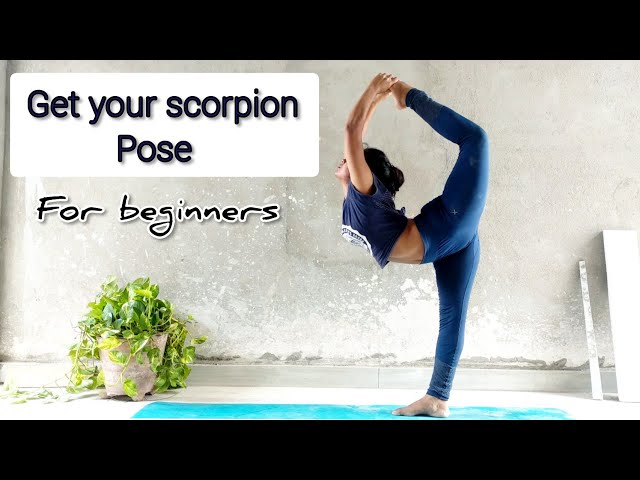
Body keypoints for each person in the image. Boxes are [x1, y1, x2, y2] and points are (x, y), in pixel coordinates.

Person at [336, 73, 490, 417]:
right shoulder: (358, 194)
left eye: (350, 160)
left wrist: (381, 92)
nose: (343, 159)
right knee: (453, 314)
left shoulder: (365, 192)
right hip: (445, 238)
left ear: (366, 173)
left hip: (444, 229)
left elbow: (352, 133)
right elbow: (354, 136)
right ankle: (437, 398)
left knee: (476, 139)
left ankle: (410, 97)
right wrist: (376, 93)